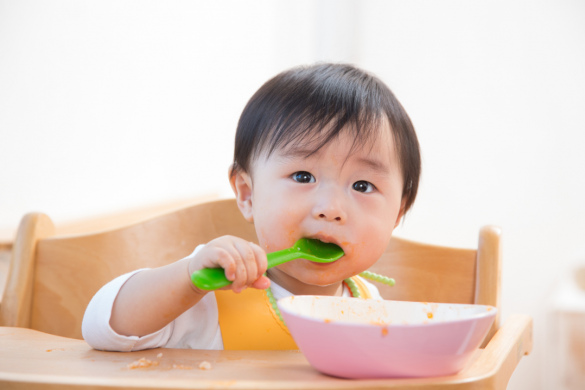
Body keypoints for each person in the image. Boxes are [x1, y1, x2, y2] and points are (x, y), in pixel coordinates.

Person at [82, 63, 421, 351]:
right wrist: (189, 279)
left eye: (363, 186)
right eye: (303, 176)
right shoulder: (215, 288)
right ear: (247, 194)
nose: (330, 208)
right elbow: (104, 328)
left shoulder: (370, 305)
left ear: (398, 214)